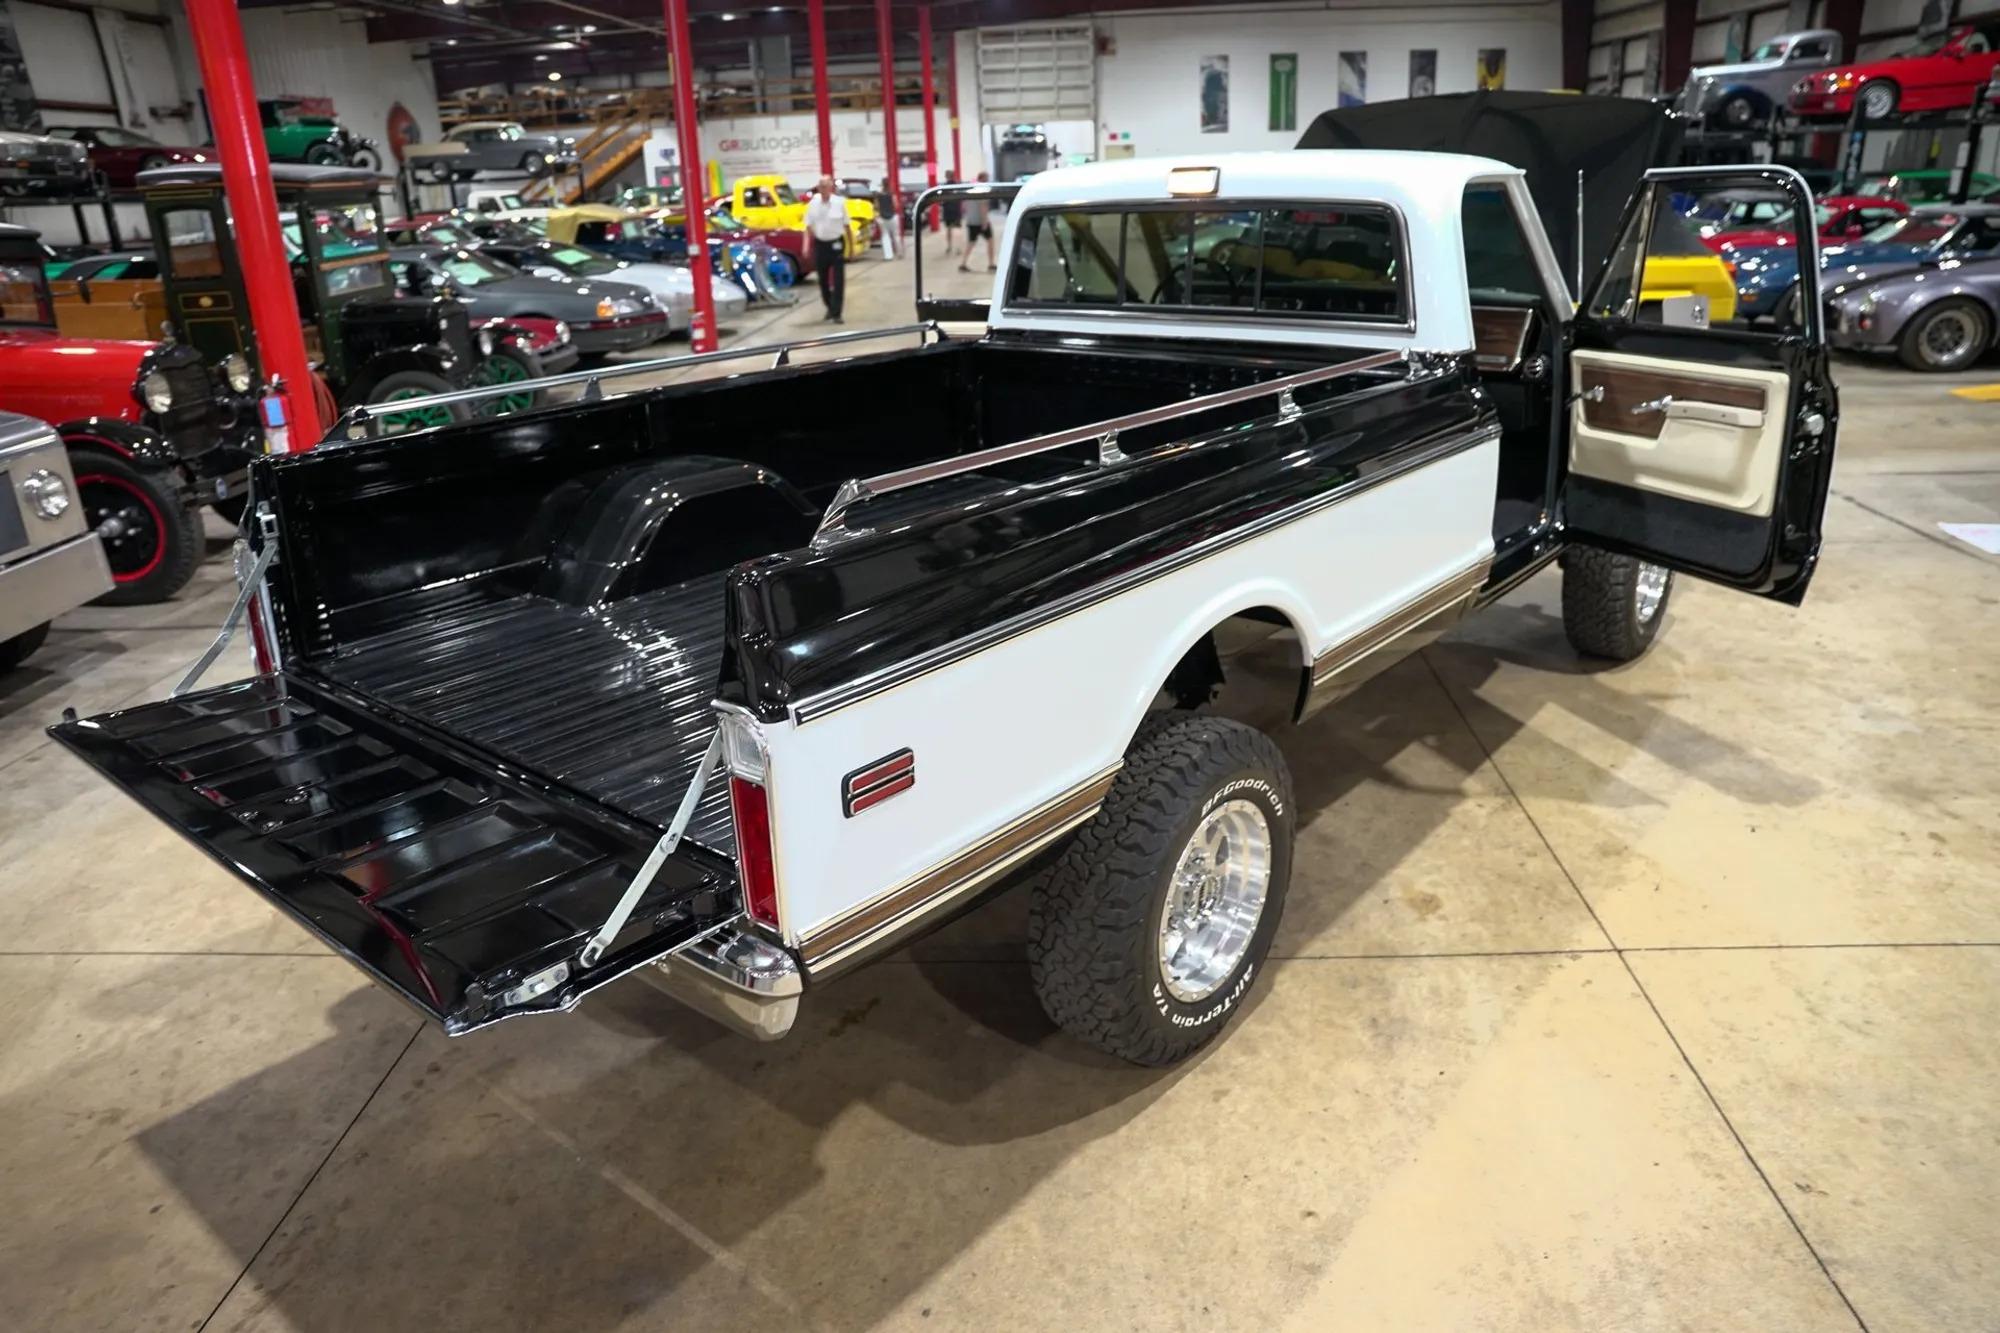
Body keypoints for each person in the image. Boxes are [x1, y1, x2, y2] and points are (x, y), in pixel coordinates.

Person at [803, 175, 848, 322]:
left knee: (838, 280)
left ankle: (837, 313)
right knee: (822, 281)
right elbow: (808, 226)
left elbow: (846, 225)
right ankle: (830, 306)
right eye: (821, 186)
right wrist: (806, 246)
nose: (823, 188)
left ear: (831, 187)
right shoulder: (812, 204)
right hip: (820, 245)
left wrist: (851, 247)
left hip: (837, 244)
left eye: (826, 185)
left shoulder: (839, 203)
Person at [959, 172, 997, 273]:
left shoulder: (971, 189)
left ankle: (963, 263)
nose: (988, 180)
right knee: (990, 241)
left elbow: (964, 206)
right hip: (980, 222)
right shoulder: (983, 190)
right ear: (983, 179)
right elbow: (983, 207)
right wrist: (984, 222)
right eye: (987, 178)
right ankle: (991, 264)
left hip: (971, 221)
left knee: (971, 242)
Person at [874, 177, 903, 260]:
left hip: (882, 218)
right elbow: (895, 205)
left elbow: (876, 206)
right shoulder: (892, 194)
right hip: (892, 217)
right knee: (896, 235)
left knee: (885, 236)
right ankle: (899, 253)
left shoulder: (878, 195)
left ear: (882, 184)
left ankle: (888, 256)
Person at [940, 170, 963, 255]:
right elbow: (961, 198)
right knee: (957, 229)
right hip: (956, 210)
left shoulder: (944, 187)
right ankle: (958, 248)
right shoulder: (957, 186)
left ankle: (949, 246)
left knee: (949, 229)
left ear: (946, 176)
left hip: (947, 211)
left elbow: (941, 200)